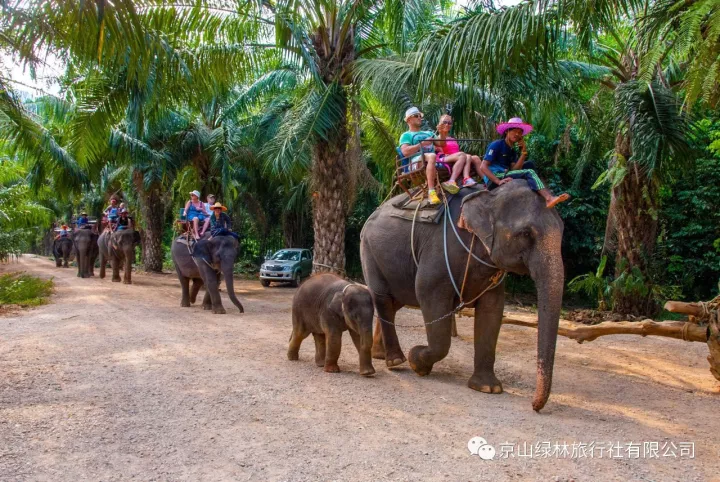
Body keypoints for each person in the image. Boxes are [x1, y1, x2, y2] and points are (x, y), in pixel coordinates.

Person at [478, 117, 570, 208]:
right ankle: (549, 198)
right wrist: (498, 181)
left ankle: (539, 190)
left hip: (505, 174)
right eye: (514, 131)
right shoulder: (496, 144)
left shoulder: (512, 151)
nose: (517, 134)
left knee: (529, 164)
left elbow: (515, 169)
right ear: (507, 131)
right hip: (495, 176)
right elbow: (483, 166)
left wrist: (524, 151)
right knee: (529, 171)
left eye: (520, 132)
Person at [398, 107, 458, 205]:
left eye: (420, 116)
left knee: (435, 156)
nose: (419, 118)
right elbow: (405, 152)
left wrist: (441, 132)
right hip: (415, 162)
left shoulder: (428, 133)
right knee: (432, 156)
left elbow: (441, 144)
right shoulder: (406, 135)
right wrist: (422, 144)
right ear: (408, 120)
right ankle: (431, 192)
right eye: (416, 116)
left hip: (431, 160)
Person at [434, 114, 470, 191]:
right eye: (445, 122)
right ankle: (451, 181)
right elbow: (440, 151)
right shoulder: (437, 138)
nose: (447, 124)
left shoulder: (452, 139)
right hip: (445, 158)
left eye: (449, 123)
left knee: (473, 157)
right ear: (440, 123)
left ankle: (486, 180)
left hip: (457, 157)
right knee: (462, 155)